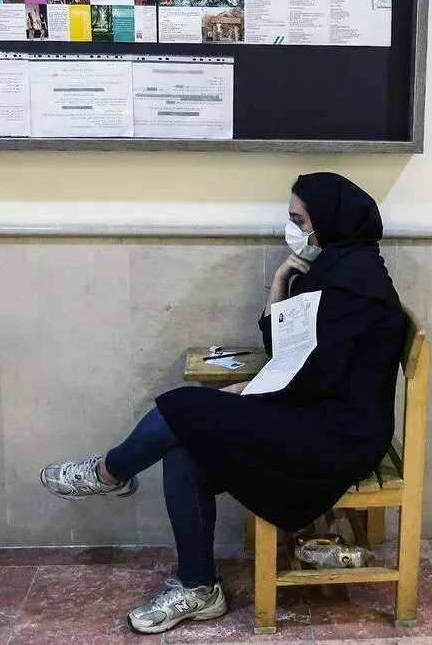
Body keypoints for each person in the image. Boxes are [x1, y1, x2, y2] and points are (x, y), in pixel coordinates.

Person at [40, 172, 405, 634]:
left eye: (299, 220)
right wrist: (281, 279)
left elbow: (318, 372)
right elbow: (284, 347)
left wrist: (247, 391)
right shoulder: (334, 268)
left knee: (182, 408)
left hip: (340, 433)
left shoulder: (357, 284)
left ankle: (109, 473)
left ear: (330, 219)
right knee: (185, 448)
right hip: (315, 411)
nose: (294, 230)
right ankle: (199, 588)